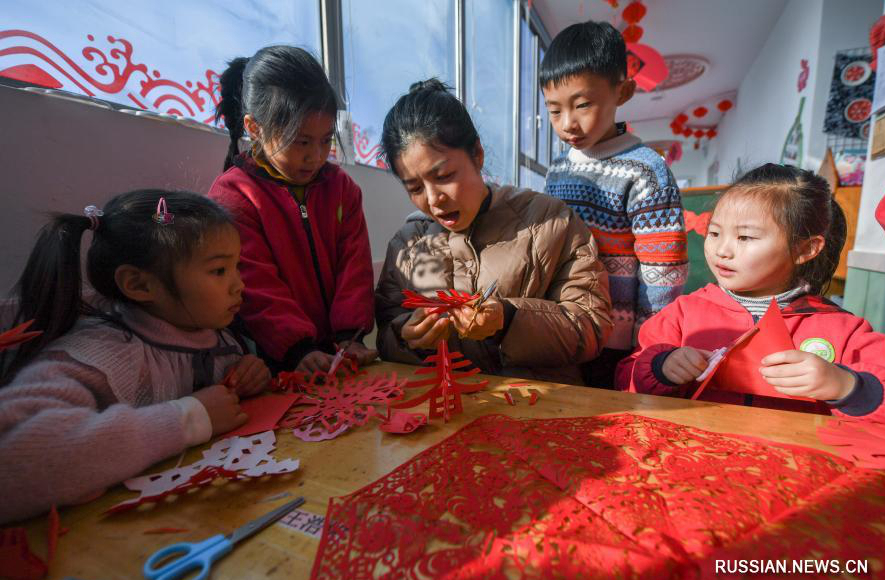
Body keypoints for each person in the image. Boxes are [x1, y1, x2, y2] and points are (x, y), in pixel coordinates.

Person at [0, 191, 270, 524]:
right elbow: (13, 456)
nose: (239, 285)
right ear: (139, 285)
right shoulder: (102, 353)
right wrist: (188, 417)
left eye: (236, 267)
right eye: (218, 271)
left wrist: (250, 373)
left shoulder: (216, 333)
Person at [375, 79, 612, 384]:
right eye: (415, 187)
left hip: (540, 412)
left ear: (477, 154)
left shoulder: (551, 222)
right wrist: (406, 337)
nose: (434, 200)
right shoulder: (407, 246)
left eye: (444, 176)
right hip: (450, 414)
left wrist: (508, 318)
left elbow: (592, 327)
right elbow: (386, 335)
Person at [617, 164, 885, 419]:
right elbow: (624, 380)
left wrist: (846, 385)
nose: (722, 250)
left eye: (745, 237)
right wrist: (660, 368)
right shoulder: (684, 313)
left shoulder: (842, 328)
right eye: (714, 233)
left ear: (805, 249)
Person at [209, 45, 376, 374]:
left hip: (340, 352)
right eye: (301, 141)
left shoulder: (342, 190)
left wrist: (350, 335)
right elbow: (254, 283)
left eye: (326, 140)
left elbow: (354, 267)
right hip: (278, 360)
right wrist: (296, 346)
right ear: (255, 128)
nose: (316, 156)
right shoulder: (234, 194)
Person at [541, 21, 688, 388]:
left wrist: (649, 341)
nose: (567, 123)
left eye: (583, 104)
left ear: (623, 92)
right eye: (555, 110)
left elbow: (664, 268)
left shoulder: (646, 170)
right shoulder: (558, 168)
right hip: (564, 321)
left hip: (615, 338)